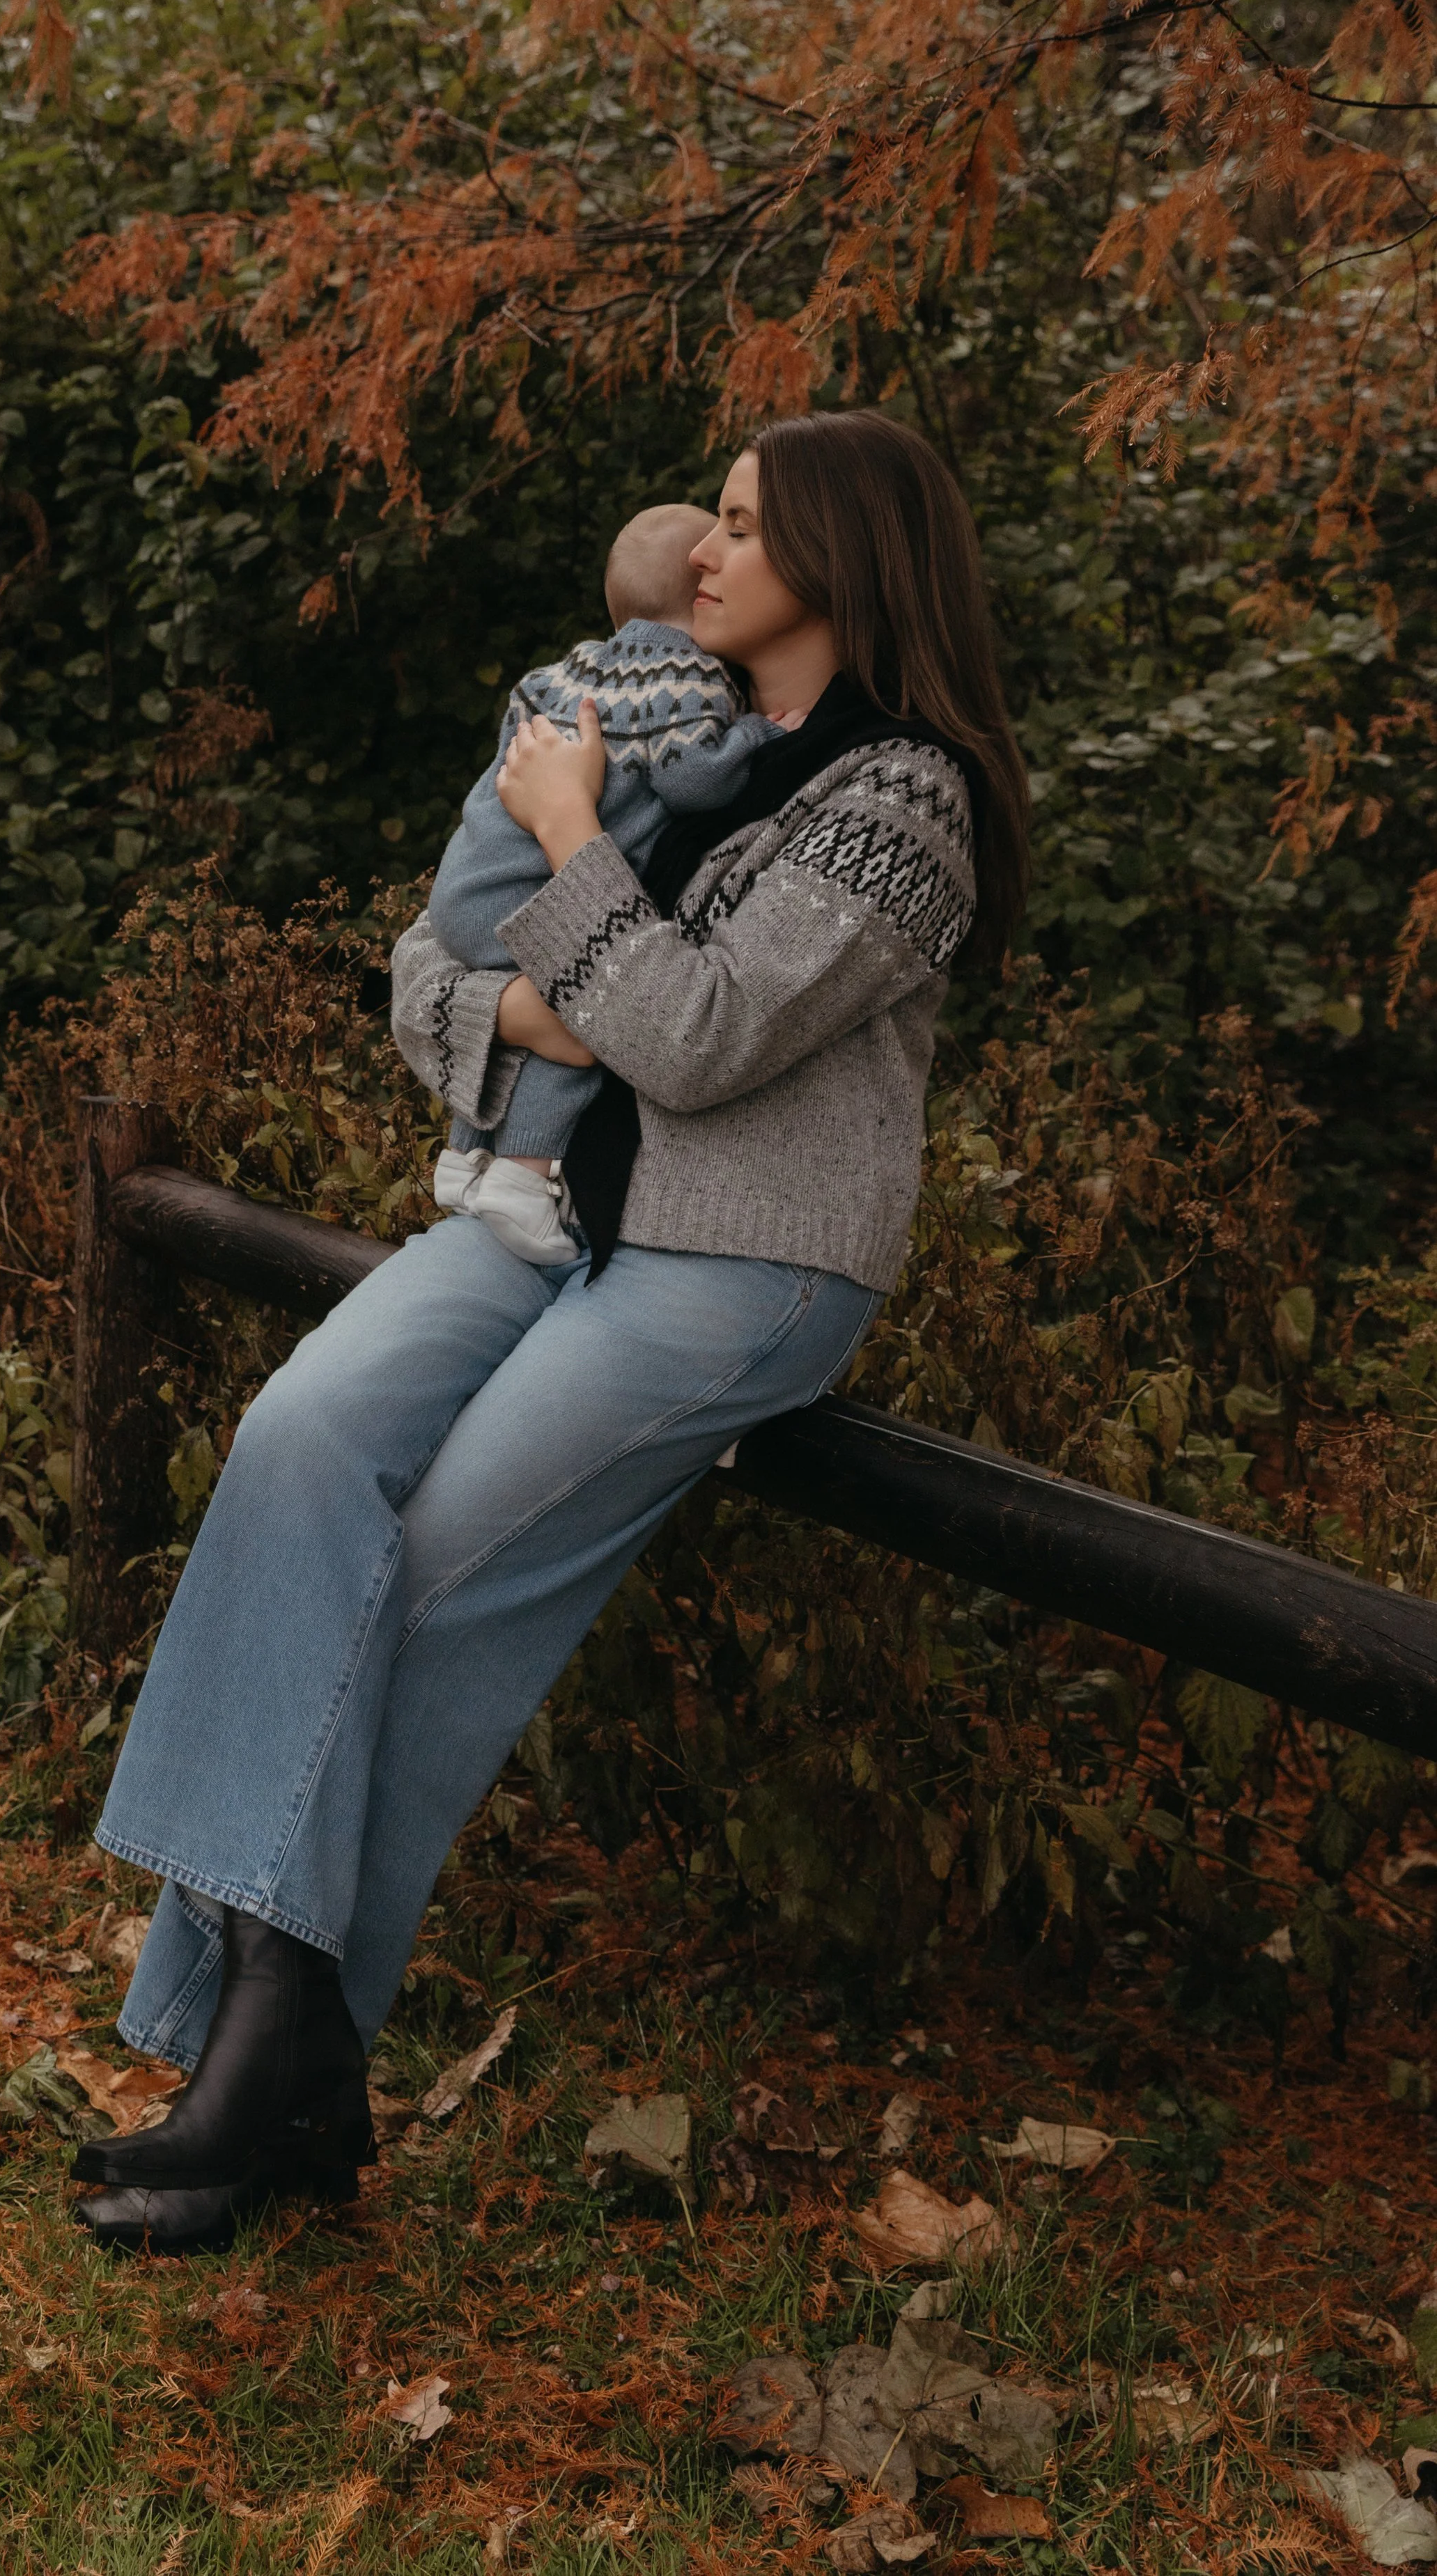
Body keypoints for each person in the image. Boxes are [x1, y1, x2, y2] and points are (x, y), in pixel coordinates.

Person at [72, 408, 1032, 2255]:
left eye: (747, 525)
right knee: (293, 1448)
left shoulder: (902, 798)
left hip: (741, 1266)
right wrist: (546, 1005)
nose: (705, 552)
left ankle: (263, 2058)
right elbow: (428, 972)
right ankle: (287, 2072)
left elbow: (694, 1036)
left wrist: (574, 844)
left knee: (424, 1581)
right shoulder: (671, 720)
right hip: (554, 1216)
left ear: (846, 551)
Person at [427, 500, 788, 1265]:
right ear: (700, 591)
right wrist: (755, 734)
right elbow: (693, 780)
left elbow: (507, 765)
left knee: (515, 1011)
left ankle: (464, 1159)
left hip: (464, 883)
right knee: (582, 1009)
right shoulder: (684, 675)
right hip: (532, 893)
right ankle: (522, 1180)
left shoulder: (556, 673)